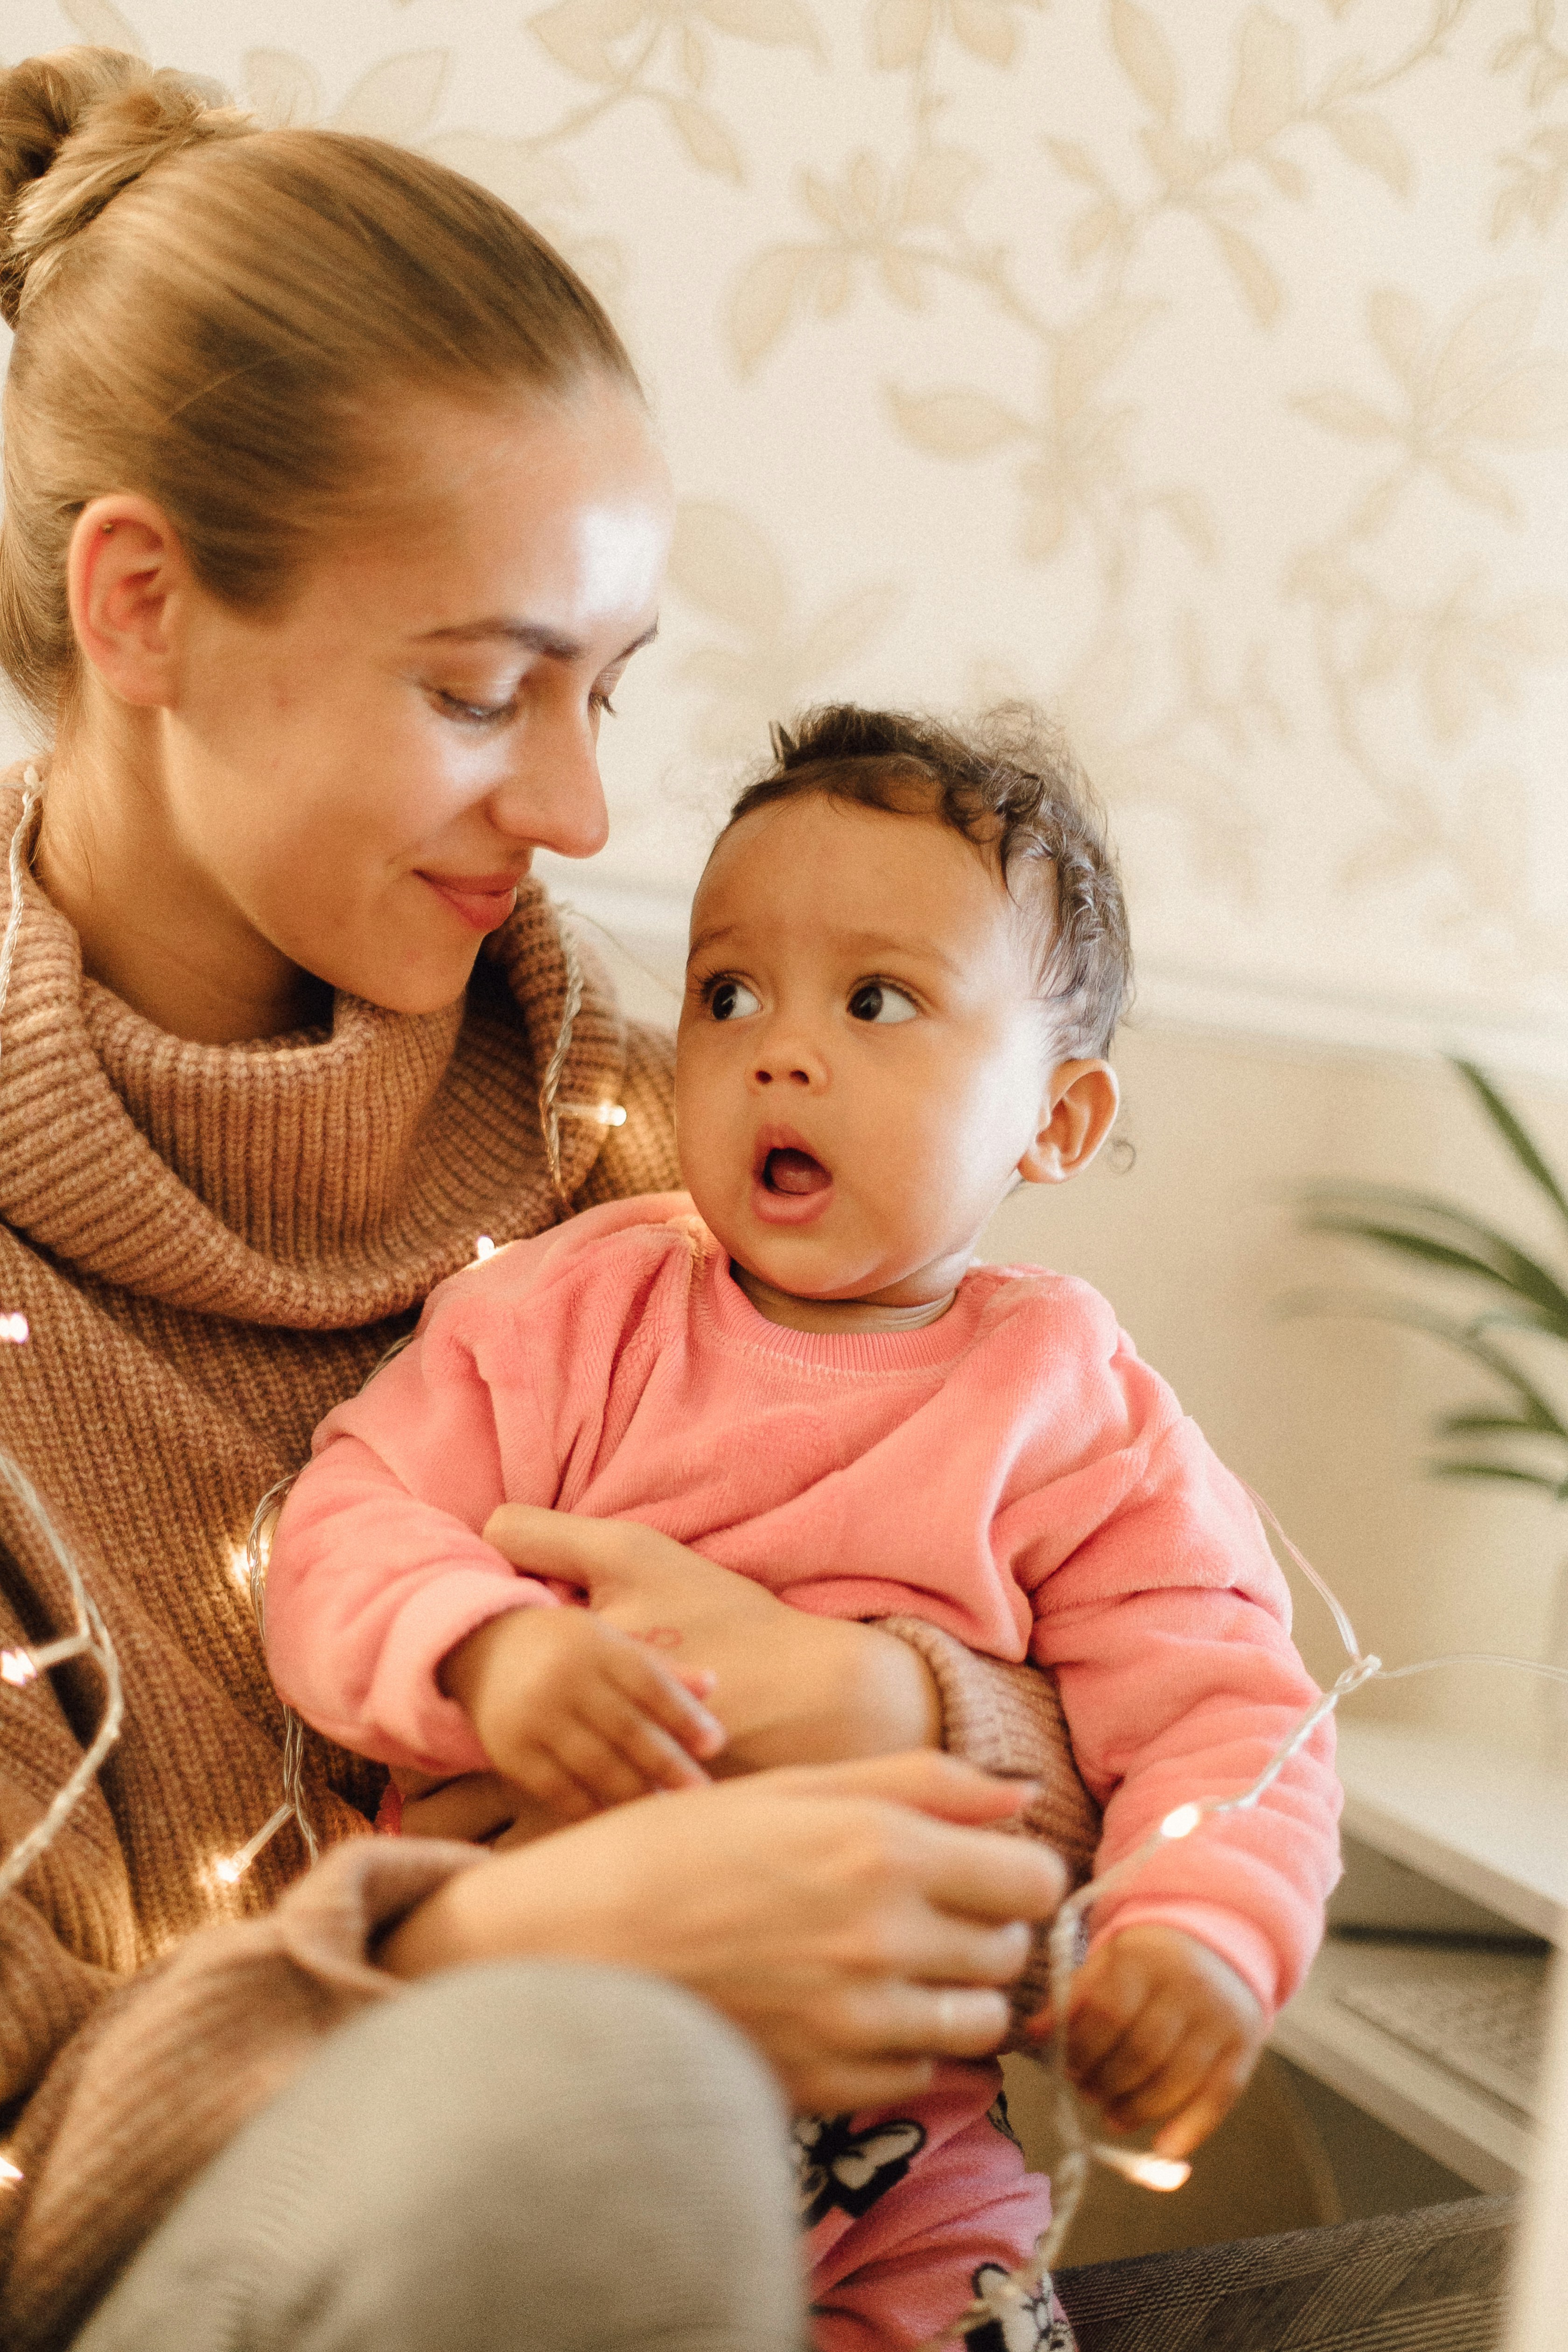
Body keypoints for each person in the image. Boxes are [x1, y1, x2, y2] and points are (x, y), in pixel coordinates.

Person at [0, 39, 1513, 2352]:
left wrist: (897, 1718)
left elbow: (1184, 1680)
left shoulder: (665, 1116)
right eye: (487, 690)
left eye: (611, 690)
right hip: (306, 2236)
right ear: (142, 610)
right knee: (596, 2108)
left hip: (887, 2251)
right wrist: (503, 1954)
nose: (592, 816)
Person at [264, 703, 1339, 2351]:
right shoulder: (578, 1307)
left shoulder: (1070, 1404)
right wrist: (485, 1647)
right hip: (531, 2071)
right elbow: (351, 1519)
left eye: (879, 999)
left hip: (900, 2150)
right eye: (727, 991)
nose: (779, 1045)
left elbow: (1231, 1721)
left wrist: (1191, 1941)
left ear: (1055, 1121)